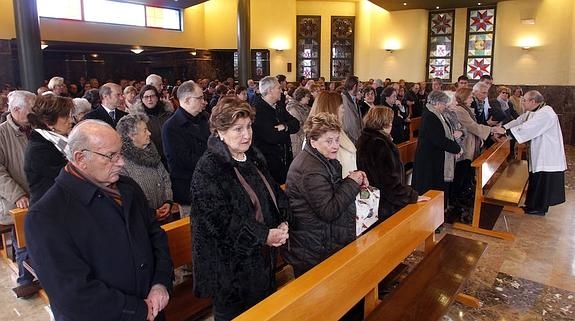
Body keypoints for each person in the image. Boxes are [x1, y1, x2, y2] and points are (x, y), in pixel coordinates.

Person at [25, 120, 173, 321]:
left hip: (153, 309)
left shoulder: (128, 188)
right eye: (111, 156)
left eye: (120, 153)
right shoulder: (46, 217)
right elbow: (72, 295)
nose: (121, 162)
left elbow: (156, 236)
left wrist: (160, 283)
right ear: (80, 158)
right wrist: (137, 310)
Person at [190, 97, 289, 320]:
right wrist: (264, 235)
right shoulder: (209, 167)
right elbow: (219, 221)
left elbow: (272, 190)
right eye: (238, 129)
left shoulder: (252, 155)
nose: (247, 134)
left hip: (261, 260)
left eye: (248, 127)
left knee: (264, 313)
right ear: (220, 132)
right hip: (229, 268)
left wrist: (283, 219)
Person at [284, 112, 367, 277]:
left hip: (320, 239)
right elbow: (329, 210)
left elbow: (331, 193)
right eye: (329, 141)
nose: (335, 145)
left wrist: (353, 181)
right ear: (313, 142)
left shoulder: (320, 159)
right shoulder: (309, 169)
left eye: (337, 140)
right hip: (312, 247)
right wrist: (351, 183)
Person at [494, 90, 566, 215]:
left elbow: (527, 128)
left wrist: (506, 133)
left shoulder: (546, 113)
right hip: (540, 153)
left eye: (525, 100)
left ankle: (538, 208)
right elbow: (520, 121)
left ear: (533, 101)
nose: (523, 102)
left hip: (546, 156)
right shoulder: (535, 111)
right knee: (536, 179)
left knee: (542, 181)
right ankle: (532, 205)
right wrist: (504, 128)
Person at [356, 107, 429, 221]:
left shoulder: (366, 138)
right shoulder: (379, 144)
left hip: (376, 200)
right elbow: (389, 182)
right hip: (386, 204)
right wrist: (412, 196)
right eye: (390, 121)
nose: (391, 124)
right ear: (383, 123)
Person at [0, 90, 38, 297]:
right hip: (16, 200)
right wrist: (18, 195)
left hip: (39, 193)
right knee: (23, 241)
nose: (35, 114)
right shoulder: (2, 134)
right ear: (15, 110)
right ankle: (26, 281)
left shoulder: (34, 128)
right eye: (31, 110)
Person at [117, 113, 176, 224]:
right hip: (144, 221)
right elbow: (129, 197)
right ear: (131, 135)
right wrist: (152, 213)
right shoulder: (121, 163)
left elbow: (165, 177)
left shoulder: (152, 151)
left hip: (166, 215)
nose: (149, 133)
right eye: (144, 130)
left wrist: (168, 202)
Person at [162, 80, 210, 216]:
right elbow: (182, 159)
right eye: (200, 98)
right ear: (188, 100)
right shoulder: (171, 126)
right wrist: (212, 161)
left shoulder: (204, 118)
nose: (204, 101)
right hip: (188, 188)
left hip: (208, 183)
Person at [412, 91, 462, 209]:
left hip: (434, 158)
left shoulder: (435, 114)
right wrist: (457, 148)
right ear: (437, 103)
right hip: (429, 160)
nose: (445, 107)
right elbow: (439, 139)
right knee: (429, 188)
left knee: (435, 187)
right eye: (444, 104)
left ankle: (437, 214)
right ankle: (430, 216)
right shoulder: (430, 116)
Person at [25, 94, 74, 204]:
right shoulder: (39, 149)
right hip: (49, 209)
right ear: (48, 122)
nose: (71, 120)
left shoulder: (57, 140)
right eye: (66, 117)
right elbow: (66, 178)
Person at [252, 76, 300, 184]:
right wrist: (287, 130)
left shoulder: (278, 105)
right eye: (279, 88)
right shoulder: (258, 110)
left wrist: (284, 126)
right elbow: (273, 137)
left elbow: (296, 124)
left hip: (284, 160)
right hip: (270, 165)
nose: (282, 90)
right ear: (270, 91)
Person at [308, 91, 357, 176]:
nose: (344, 110)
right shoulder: (317, 138)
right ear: (333, 109)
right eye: (342, 107)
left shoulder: (337, 131)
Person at [132, 84, 173, 166]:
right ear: (141, 99)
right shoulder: (138, 118)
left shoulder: (168, 114)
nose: (149, 99)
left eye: (152, 96)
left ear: (157, 98)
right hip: (151, 158)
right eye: (146, 97)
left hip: (171, 156)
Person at [286, 87, 311, 157]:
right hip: (297, 139)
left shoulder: (306, 108)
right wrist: (306, 138)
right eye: (307, 96)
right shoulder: (293, 108)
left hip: (304, 137)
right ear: (301, 96)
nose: (309, 98)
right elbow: (297, 126)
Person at [340, 75, 362, 144]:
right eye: (359, 86)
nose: (360, 88)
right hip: (351, 139)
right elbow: (348, 123)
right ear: (355, 86)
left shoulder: (353, 99)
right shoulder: (344, 100)